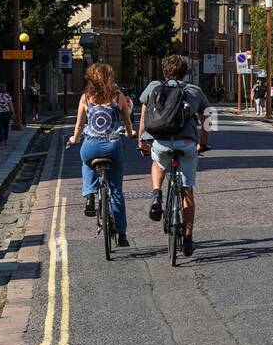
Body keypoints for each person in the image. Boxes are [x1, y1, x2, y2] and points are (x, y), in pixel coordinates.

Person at [139, 55, 212, 258]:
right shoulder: (194, 91)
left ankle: (156, 194)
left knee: (157, 162)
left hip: (161, 142)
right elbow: (208, 116)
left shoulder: (154, 87)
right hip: (187, 143)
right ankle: (188, 238)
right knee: (187, 190)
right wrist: (203, 142)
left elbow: (145, 114)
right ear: (184, 72)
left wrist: (141, 140)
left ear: (164, 71)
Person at [68, 63, 135, 246]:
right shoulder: (117, 95)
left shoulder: (86, 97)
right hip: (113, 145)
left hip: (91, 145)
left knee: (86, 162)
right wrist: (130, 134)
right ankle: (122, 235)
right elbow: (127, 122)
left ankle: (90, 193)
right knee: (116, 192)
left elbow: (80, 125)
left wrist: (74, 139)